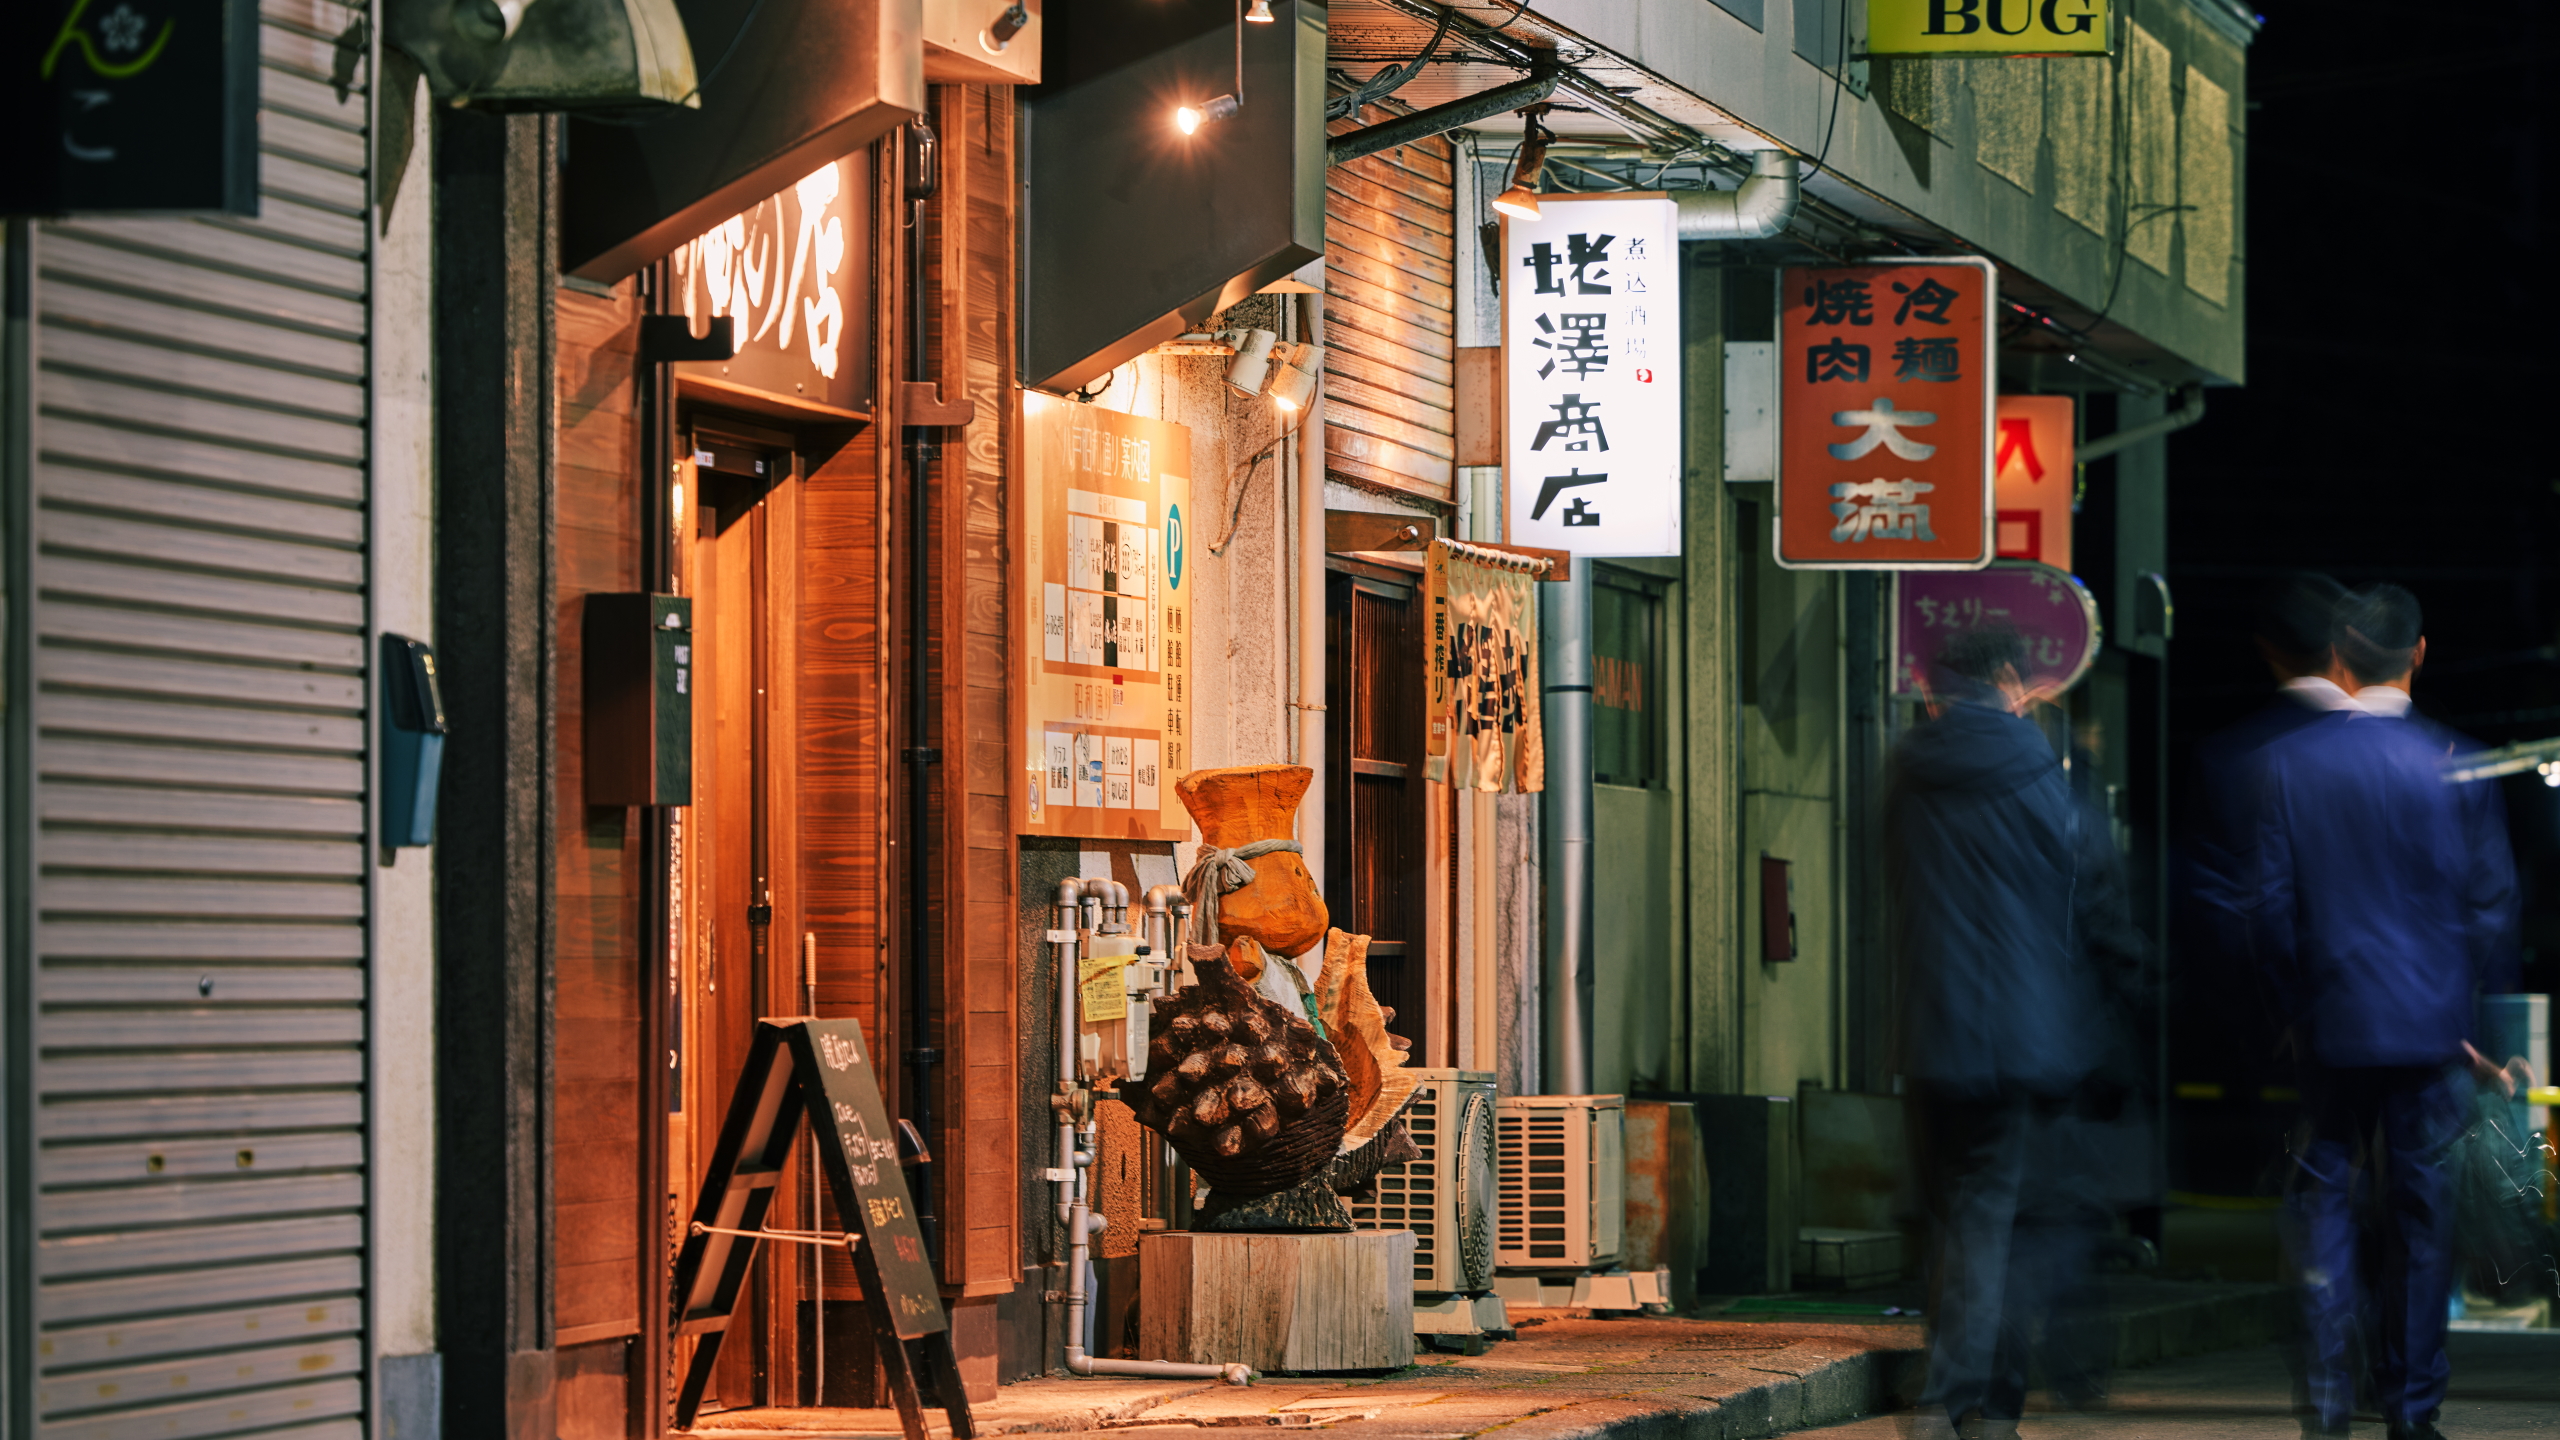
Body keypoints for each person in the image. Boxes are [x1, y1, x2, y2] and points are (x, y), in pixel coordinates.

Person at [2244, 584, 2517, 1440]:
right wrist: (2476, 1030)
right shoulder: (2459, 762)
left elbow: (2268, 906)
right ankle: (2411, 1411)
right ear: (2420, 654)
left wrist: (2293, 1007)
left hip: (2329, 1025)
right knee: (2422, 1219)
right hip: (2433, 1032)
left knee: (2324, 1202)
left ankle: (2328, 1399)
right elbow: (2491, 907)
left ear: (2343, 653)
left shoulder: (2290, 763)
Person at [1887, 626, 2137, 1440]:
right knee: (2002, 1221)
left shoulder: (1907, 770)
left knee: (1952, 1216)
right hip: (2030, 1036)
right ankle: (1973, 1400)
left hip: (1935, 1032)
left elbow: (1888, 887)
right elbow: (2093, 900)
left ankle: (1972, 1398)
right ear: (2007, 679)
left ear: (1933, 689)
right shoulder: (2046, 774)